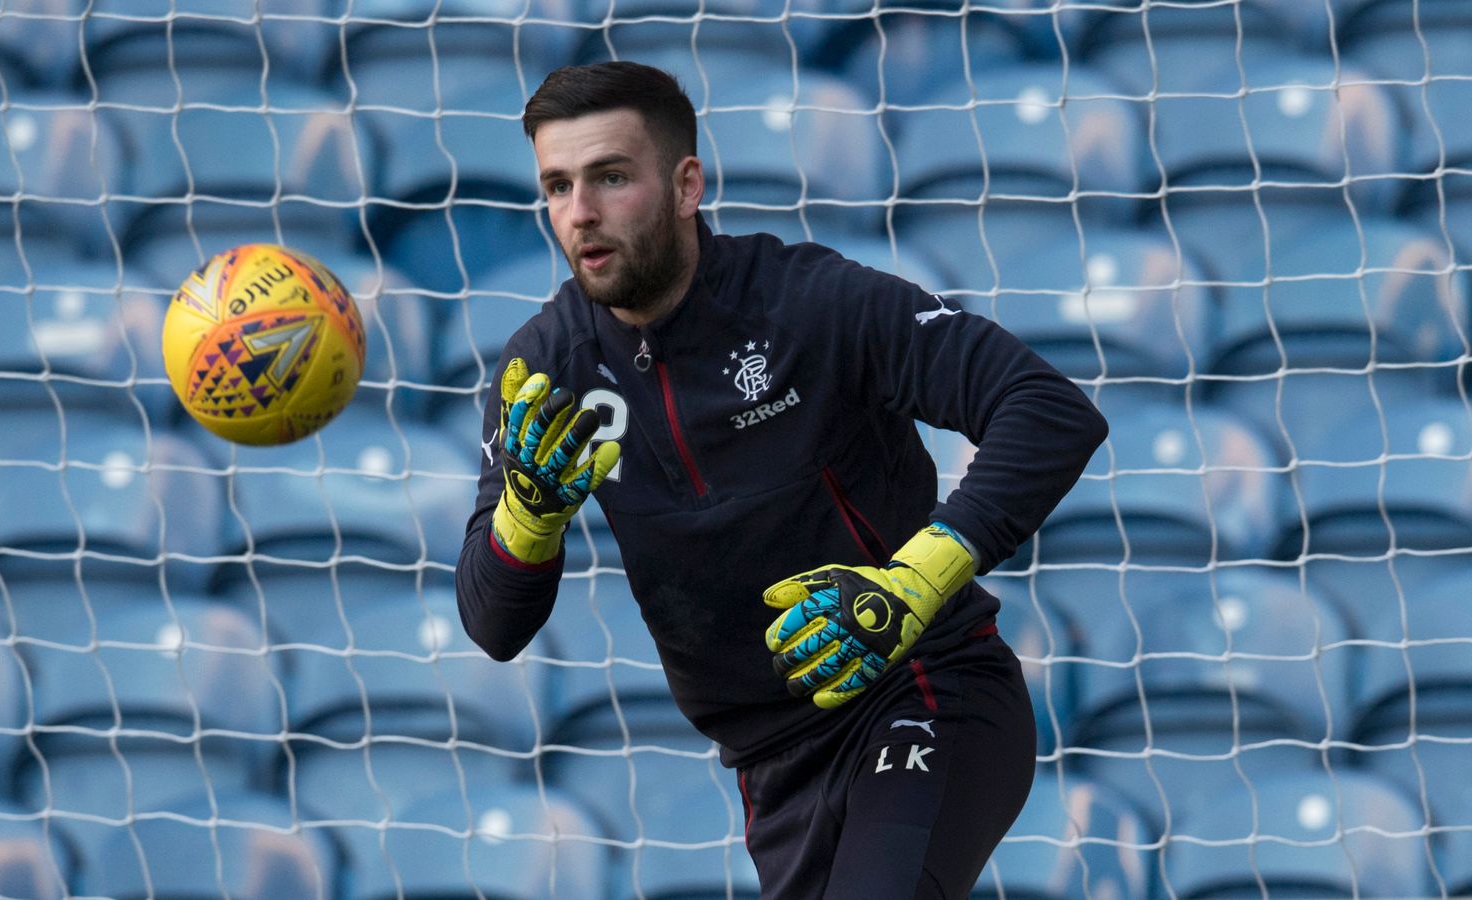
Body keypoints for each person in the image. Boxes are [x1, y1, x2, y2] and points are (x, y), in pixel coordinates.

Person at [455, 60, 1109, 899]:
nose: (579, 213)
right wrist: (529, 516)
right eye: (556, 186)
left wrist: (914, 582)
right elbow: (492, 624)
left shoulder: (808, 303)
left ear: (687, 184)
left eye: (611, 177)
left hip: (920, 690)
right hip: (772, 769)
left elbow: (1048, 409)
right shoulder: (545, 369)